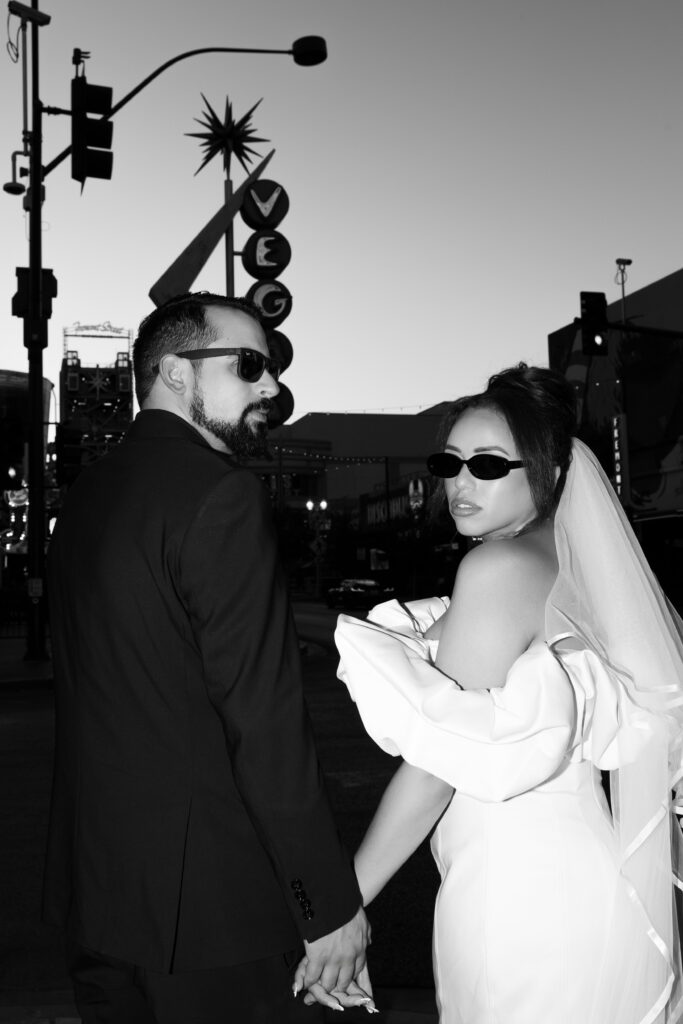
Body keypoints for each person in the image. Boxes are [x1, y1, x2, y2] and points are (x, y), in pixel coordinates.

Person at [316, 364, 683, 1022]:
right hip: (582, 877)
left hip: (517, 896)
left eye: (488, 465)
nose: (459, 482)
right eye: (449, 461)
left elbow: (434, 769)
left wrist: (343, 903)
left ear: (550, 472)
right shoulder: (575, 572)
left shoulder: (496, 567)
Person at [44, 292, 372, 1024]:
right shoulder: (220, 495)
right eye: (249, 365)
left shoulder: (86, 496)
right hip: (213, 916)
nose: (272, 389)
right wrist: (326, 904)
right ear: (174, 373)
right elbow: (264, 723)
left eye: (273, 371)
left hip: (100, 900)